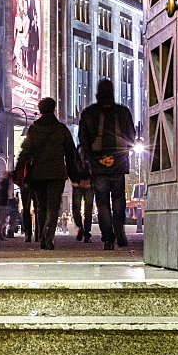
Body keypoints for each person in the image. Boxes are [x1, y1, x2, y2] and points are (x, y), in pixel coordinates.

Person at [12, 98, 79, 250]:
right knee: (53, 207)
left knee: (41, 206)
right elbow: (70, 153)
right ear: (54, 109)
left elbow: (26, 151)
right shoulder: (61, 129)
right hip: (57, 173)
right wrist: (73, 174)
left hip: (38, 173)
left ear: (40, 110)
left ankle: (42, 235)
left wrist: (18, 170)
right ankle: (49, 238)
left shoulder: (34, 128)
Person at [78, 78, 136, 251]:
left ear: (97, 93)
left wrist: (93, 158)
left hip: (98, 163)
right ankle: (119, 229)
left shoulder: (89, 113)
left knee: (102, 202)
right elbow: (131, 137)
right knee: (118, 198)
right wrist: (119, 154)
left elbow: (83, 140)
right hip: (119, 161)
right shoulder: (123, 111)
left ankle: (108, 239)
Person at [71, 145, 94, 243]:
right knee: (88, 209)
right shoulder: (90, 151)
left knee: (77, 207)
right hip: (87, 183)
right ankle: (86, 232)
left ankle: (81, 227)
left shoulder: (76, 152)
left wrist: (74, 179)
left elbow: (71, 166)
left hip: (78, 183)